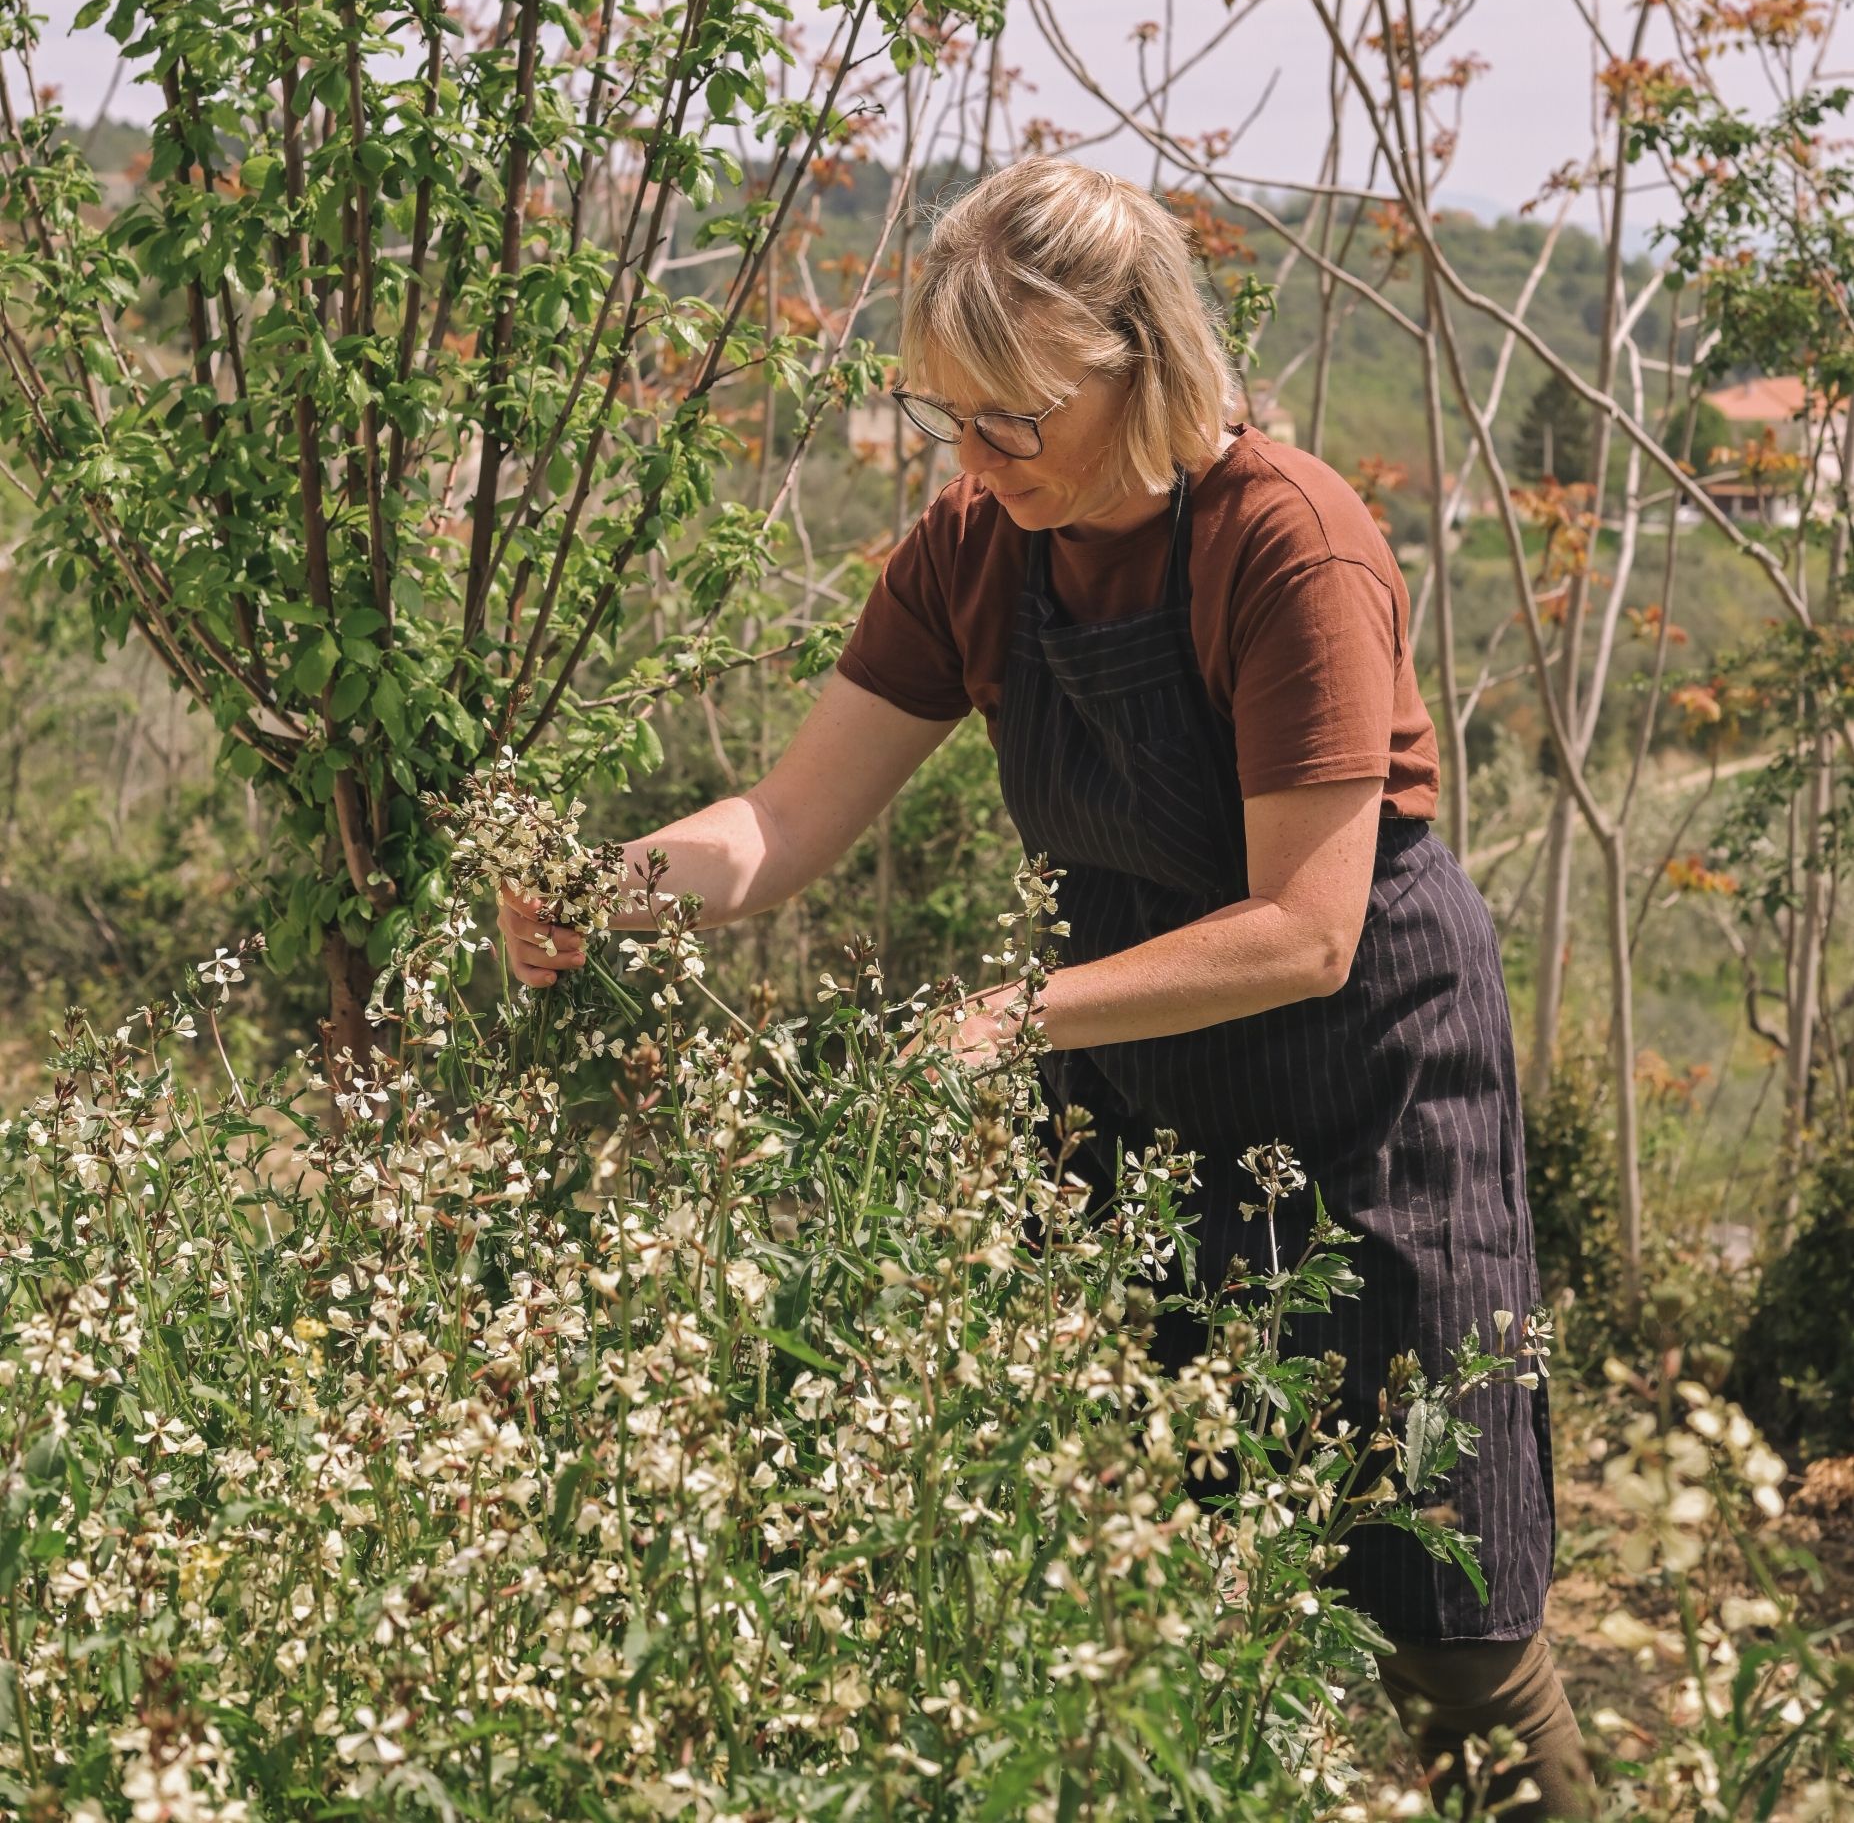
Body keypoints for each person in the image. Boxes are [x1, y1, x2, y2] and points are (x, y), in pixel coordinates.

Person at [501, 157, 1596, 1818]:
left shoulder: (1286, 542)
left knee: (1438, 1602)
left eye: (1012, 417)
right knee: (1192, 1576)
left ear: (1140, 366)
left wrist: (1011, 1016)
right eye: (950, 416)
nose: (975, 457)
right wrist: (609, 883)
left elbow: (1303, 924)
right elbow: (783, 819)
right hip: (1148, 1084)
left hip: (1364, 1086)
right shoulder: (973, 553)